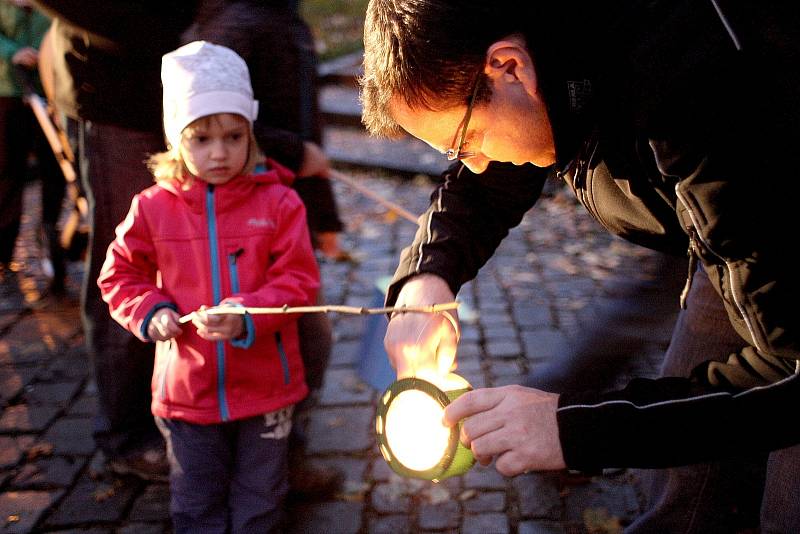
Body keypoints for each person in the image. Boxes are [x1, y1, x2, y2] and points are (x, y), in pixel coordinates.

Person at [360, 0, 800, 532]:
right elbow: (492, 174)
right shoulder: (556, 58)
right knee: (688, 468)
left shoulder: (693, 100)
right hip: (731, 245)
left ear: (510, 67)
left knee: (786, 494)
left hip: (777, 241)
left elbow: (790, 379)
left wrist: (574, 431)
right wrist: (428, 274)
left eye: (465, 141)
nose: (474, 163)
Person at [98, 41, 319, 533]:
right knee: (196, 499)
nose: (219, 152)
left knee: (261, 498)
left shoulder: (282, 204)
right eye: (201, 138)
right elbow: (119, 274)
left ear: (251, 135)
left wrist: (247, 313)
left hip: (267, 387)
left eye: (233, 136)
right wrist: (149, 309)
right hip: (188, 392)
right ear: (177, 140)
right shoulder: (153, 207)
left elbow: (300, 283)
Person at [182, 0, 345, 497]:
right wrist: (296, 154)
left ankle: (277, 455)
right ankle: (261, 460)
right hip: (246, 217)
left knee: (307, 337)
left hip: (287, 205)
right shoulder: (234, 24)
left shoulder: (282, 18)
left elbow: (303, 117)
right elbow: (219, 123)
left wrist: (324, 215)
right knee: (296, 338)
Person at [32, 0, 200, 481]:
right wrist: (166, 28)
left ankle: (186, 408)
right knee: (128, 260)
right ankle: (125, 435)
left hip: (187, 88)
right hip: (115, 96)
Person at [0, 0, 65, 306]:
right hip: (7, 93)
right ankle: (3, 254)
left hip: (48, 93)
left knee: (56, 171)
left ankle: (51, 239)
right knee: (7, 174)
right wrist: (12, 51)